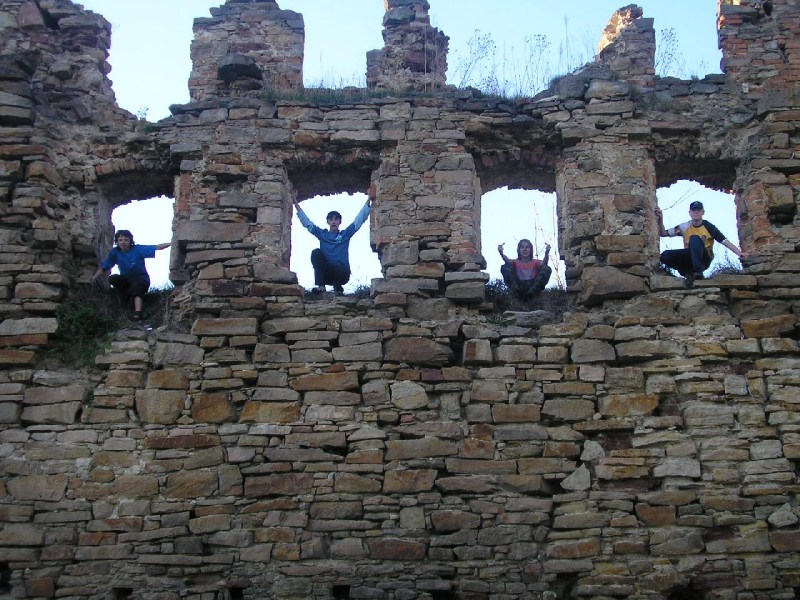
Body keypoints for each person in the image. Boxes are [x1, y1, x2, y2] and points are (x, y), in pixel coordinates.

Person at [655, 200, 748, 288]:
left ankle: (698, 273)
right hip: (690, 257)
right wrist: (660, 218)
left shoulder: (709, 227)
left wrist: (740, 253)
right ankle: (688, 273)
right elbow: (663, 233)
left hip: (704, 258)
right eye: (693, 210)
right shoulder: (684, 227)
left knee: (694, 238)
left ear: (703, 212)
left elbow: (725, 242)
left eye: (698, 210)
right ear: (690, 213)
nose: (696, 212)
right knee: (665, 255)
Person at [293, 193, 371, 295]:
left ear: (340, 222)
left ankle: (337, 288)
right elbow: (307, 223)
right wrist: (295, 202)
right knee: (316, 253)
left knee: (340, 269)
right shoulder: (322, 234)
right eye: (331, 219)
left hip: (342, 273)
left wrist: (369, 198)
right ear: (328, 222)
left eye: (336, 219)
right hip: (327, 273)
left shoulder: (345, 234)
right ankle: (321, 287)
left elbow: (359, 220)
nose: (333, 222)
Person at [90, 229, 170, 320]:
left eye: (126, 240)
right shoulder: (115, 252)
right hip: (126, 280)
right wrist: (94, 278)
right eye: (120, 240)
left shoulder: (137, 249)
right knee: (113, 278)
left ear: (130, 241)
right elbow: (104, 267)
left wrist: (172, 243)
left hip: (141, 279)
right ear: (117, 241)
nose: (123, 242)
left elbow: (157, 247)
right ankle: (123, 299)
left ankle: (138, 313)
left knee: (137, 286)